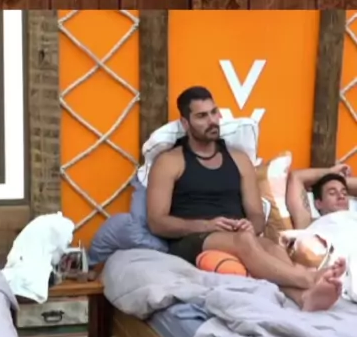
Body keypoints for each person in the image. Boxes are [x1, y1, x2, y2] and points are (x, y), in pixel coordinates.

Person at [146, 86, 345, 312]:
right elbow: (157, 222)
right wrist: (207, 225)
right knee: (246, 242)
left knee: (271, 247)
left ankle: (303, 298)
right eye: (202, 116)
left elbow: (256, 214)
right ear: (185, 123)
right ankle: (308, 278)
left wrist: (250, 226)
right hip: (191, 239)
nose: (212, 121)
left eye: (214, 112)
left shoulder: (239, 159)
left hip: (237, 234)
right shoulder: (170, 162)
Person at [286, 164, 356, 227]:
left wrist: (337, 177)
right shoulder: (309, 225)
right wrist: (331, 171)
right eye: (332, 193)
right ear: (318, 203)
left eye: (344, 193)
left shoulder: (354, 218)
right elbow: (296, 177)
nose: (341, 196)